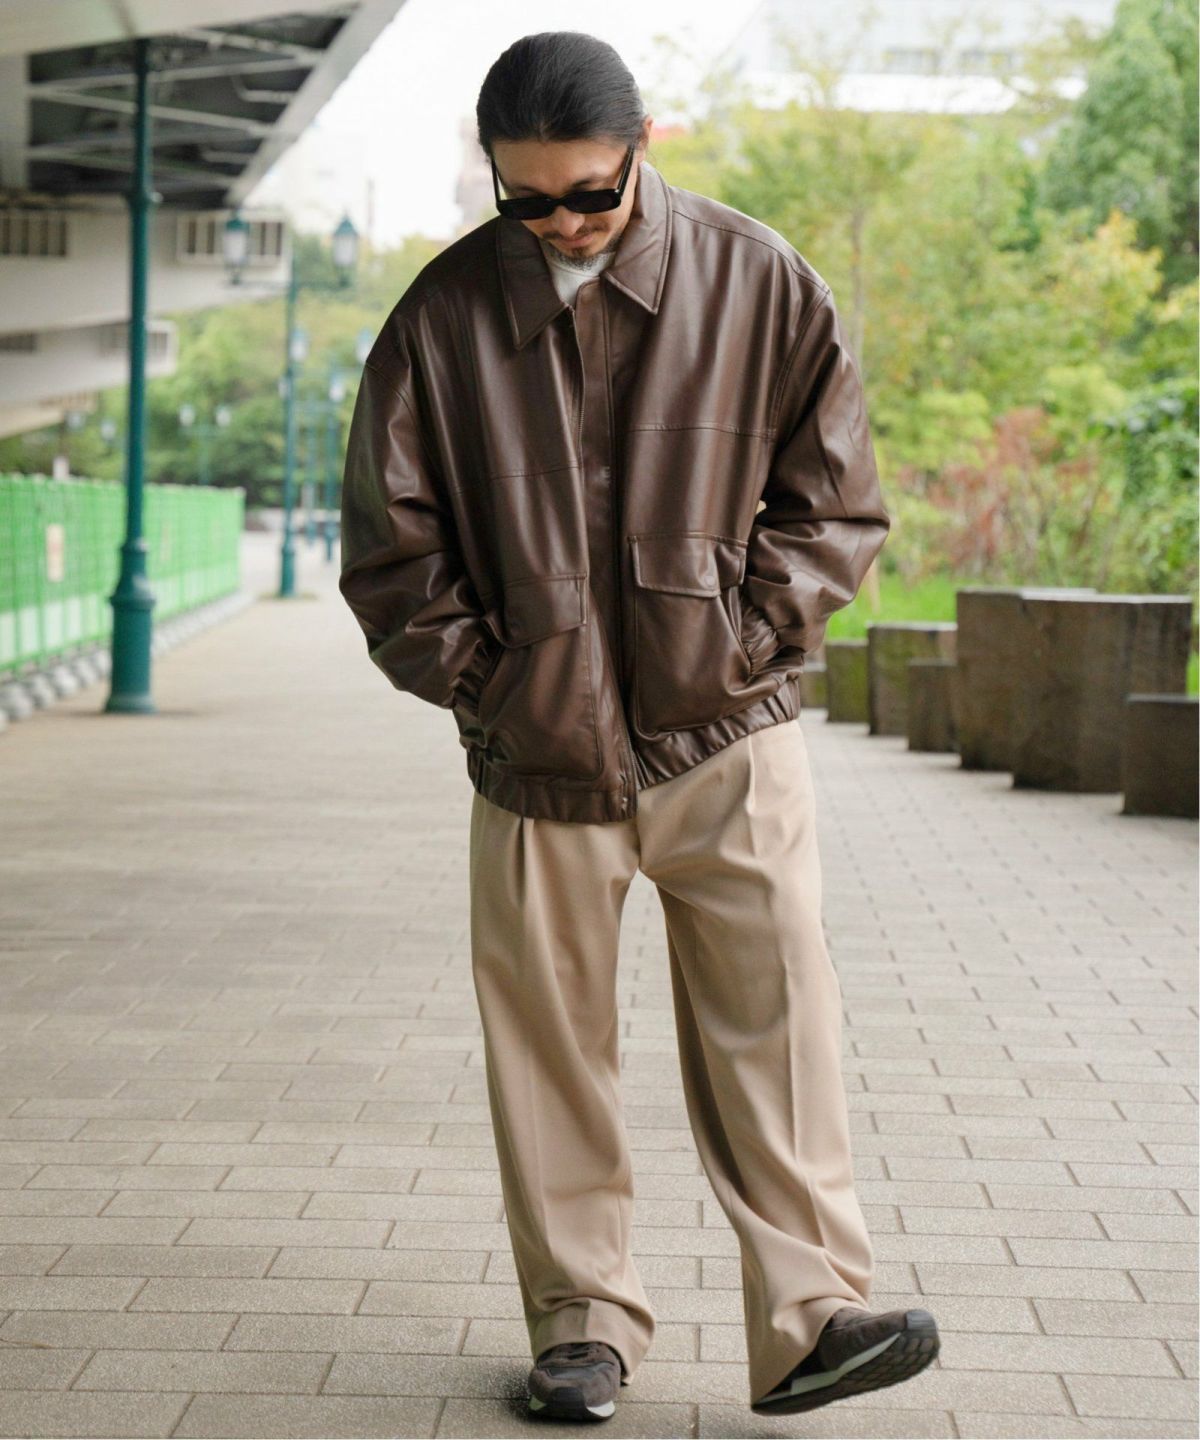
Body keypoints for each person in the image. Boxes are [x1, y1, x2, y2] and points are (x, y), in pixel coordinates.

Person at [339, 28, 940, 1424]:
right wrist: (498, 685)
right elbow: (389, 549)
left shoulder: (760, 281)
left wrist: (743, 644)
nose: (562, 223)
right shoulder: (440, 319)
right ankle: (581, 1328)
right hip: (536, 758)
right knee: (546, 1048)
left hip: (727, 739)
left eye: (589, 194)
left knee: (779, 1024)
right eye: (528, 200)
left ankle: (814, 1318)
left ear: (643, 146)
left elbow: (836, 504)